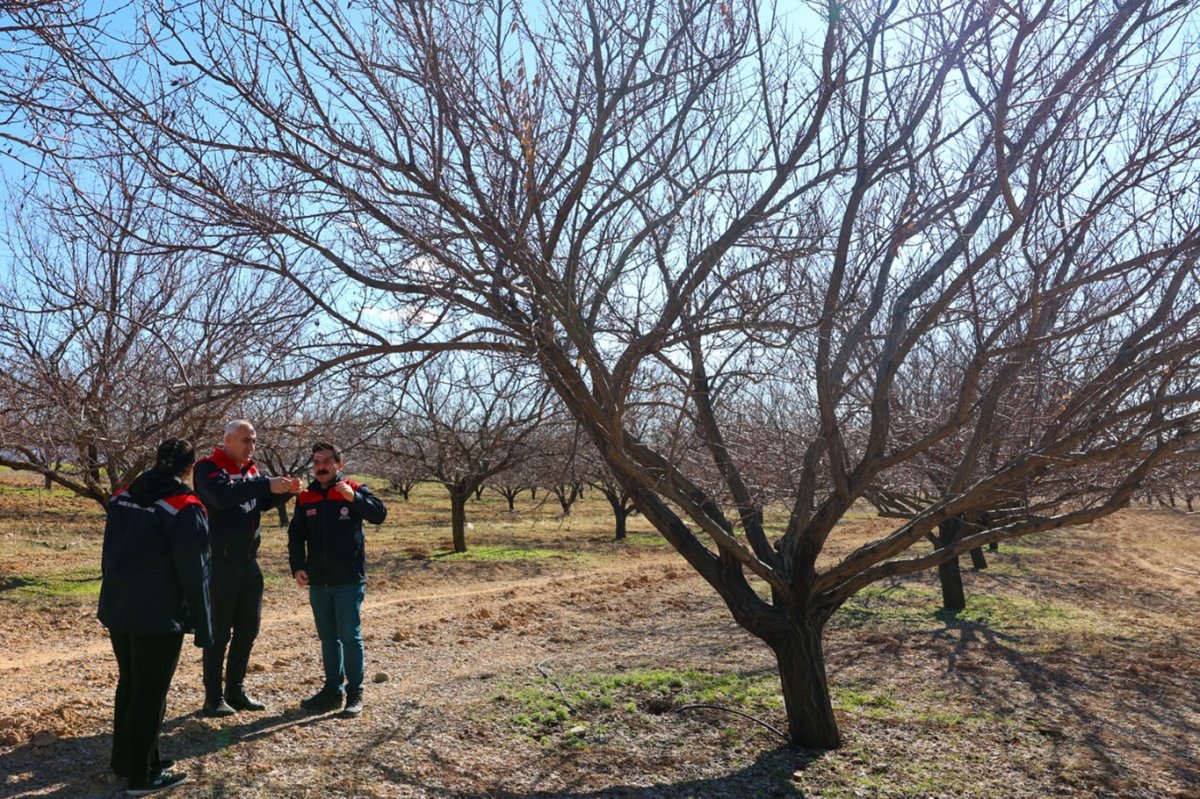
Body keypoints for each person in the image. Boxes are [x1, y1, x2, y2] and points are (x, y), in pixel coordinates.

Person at [99, 438, 211, 796]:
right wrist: (204, 623)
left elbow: (109, 550)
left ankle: (128, 760)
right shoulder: (184, 506)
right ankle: (142, 777)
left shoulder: (121, 496)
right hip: (159, 616)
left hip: (120, 607)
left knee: (130, 685)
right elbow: (196, 571)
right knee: (150, 693)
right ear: (190, 469)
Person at [193, 420, 299, 716]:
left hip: (249, 562)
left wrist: (285, 491)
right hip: (220, 563)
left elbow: (259, 501)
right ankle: (212, 696)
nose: (251, 447)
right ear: (227, 440)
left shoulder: (249, 469)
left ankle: (235, 690)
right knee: (218, 633)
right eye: (245, 440)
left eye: (253, 441)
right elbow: (222, 496)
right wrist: (265, 484)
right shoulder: (207, 468)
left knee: (248, 628)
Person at [288, 441, 388, 715]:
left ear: (338, 465)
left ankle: (355, 693)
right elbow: (296, 536)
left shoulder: (353, 490)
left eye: (326, 462)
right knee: (328, 638)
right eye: (316, 462)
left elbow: (379, 514)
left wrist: (353, 499)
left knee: (349, 637)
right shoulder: (305, 497)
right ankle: (332, 690)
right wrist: (297, 566)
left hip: (348, 580)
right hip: (318, 581)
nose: (320, 467)